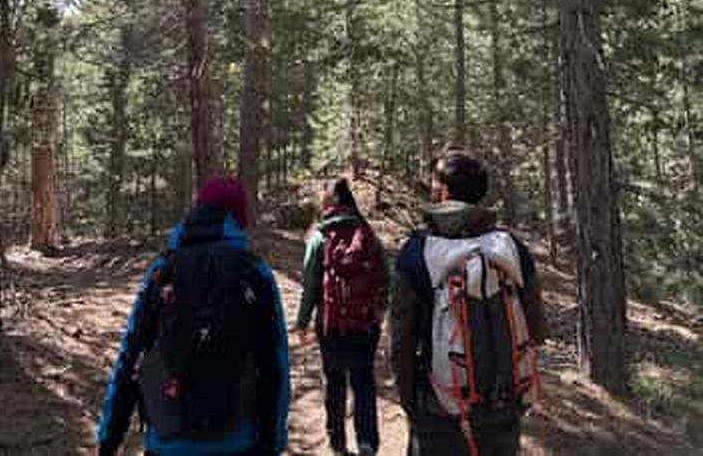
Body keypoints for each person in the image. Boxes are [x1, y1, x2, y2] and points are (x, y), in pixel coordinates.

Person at [97, 175, 290, 456]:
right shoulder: (254, 273)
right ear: (239, 219)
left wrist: (110, 437)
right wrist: (272, 442)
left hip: (167, 442)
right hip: (237, 441)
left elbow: (130, 354)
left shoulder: (163, 270)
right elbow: (275, 363)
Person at [392, 149, 547, 456]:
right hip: (503, 407)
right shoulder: (510, 247)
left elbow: (401, 342)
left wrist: (411, 403)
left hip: (439, 407)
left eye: (434, 182)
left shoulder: (416, 252)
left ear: (444, 191)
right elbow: (538, 329)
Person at [296, 177, 389, 456]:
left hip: (331, 324)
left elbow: (311, 284)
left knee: (334, 380)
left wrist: (302, 321)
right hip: (365, 324)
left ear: (334, 199)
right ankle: (367, 442)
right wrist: (379, 312)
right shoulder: (367, 233)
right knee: (363, 381)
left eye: (324, 193)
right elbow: (385, 277)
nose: (320, 198)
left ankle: (337, 443)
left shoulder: (319, 236)